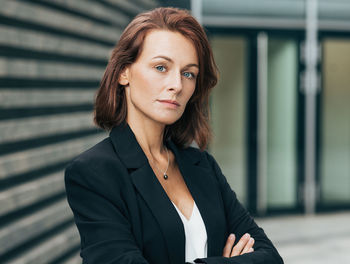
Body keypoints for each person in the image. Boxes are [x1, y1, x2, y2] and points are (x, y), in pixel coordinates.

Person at [64, 6, 284, 264]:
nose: (177, 85)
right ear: (124, 72)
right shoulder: (94, 173)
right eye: (161, 67)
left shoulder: (202, 165)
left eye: (188, 73)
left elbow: (270, 258)